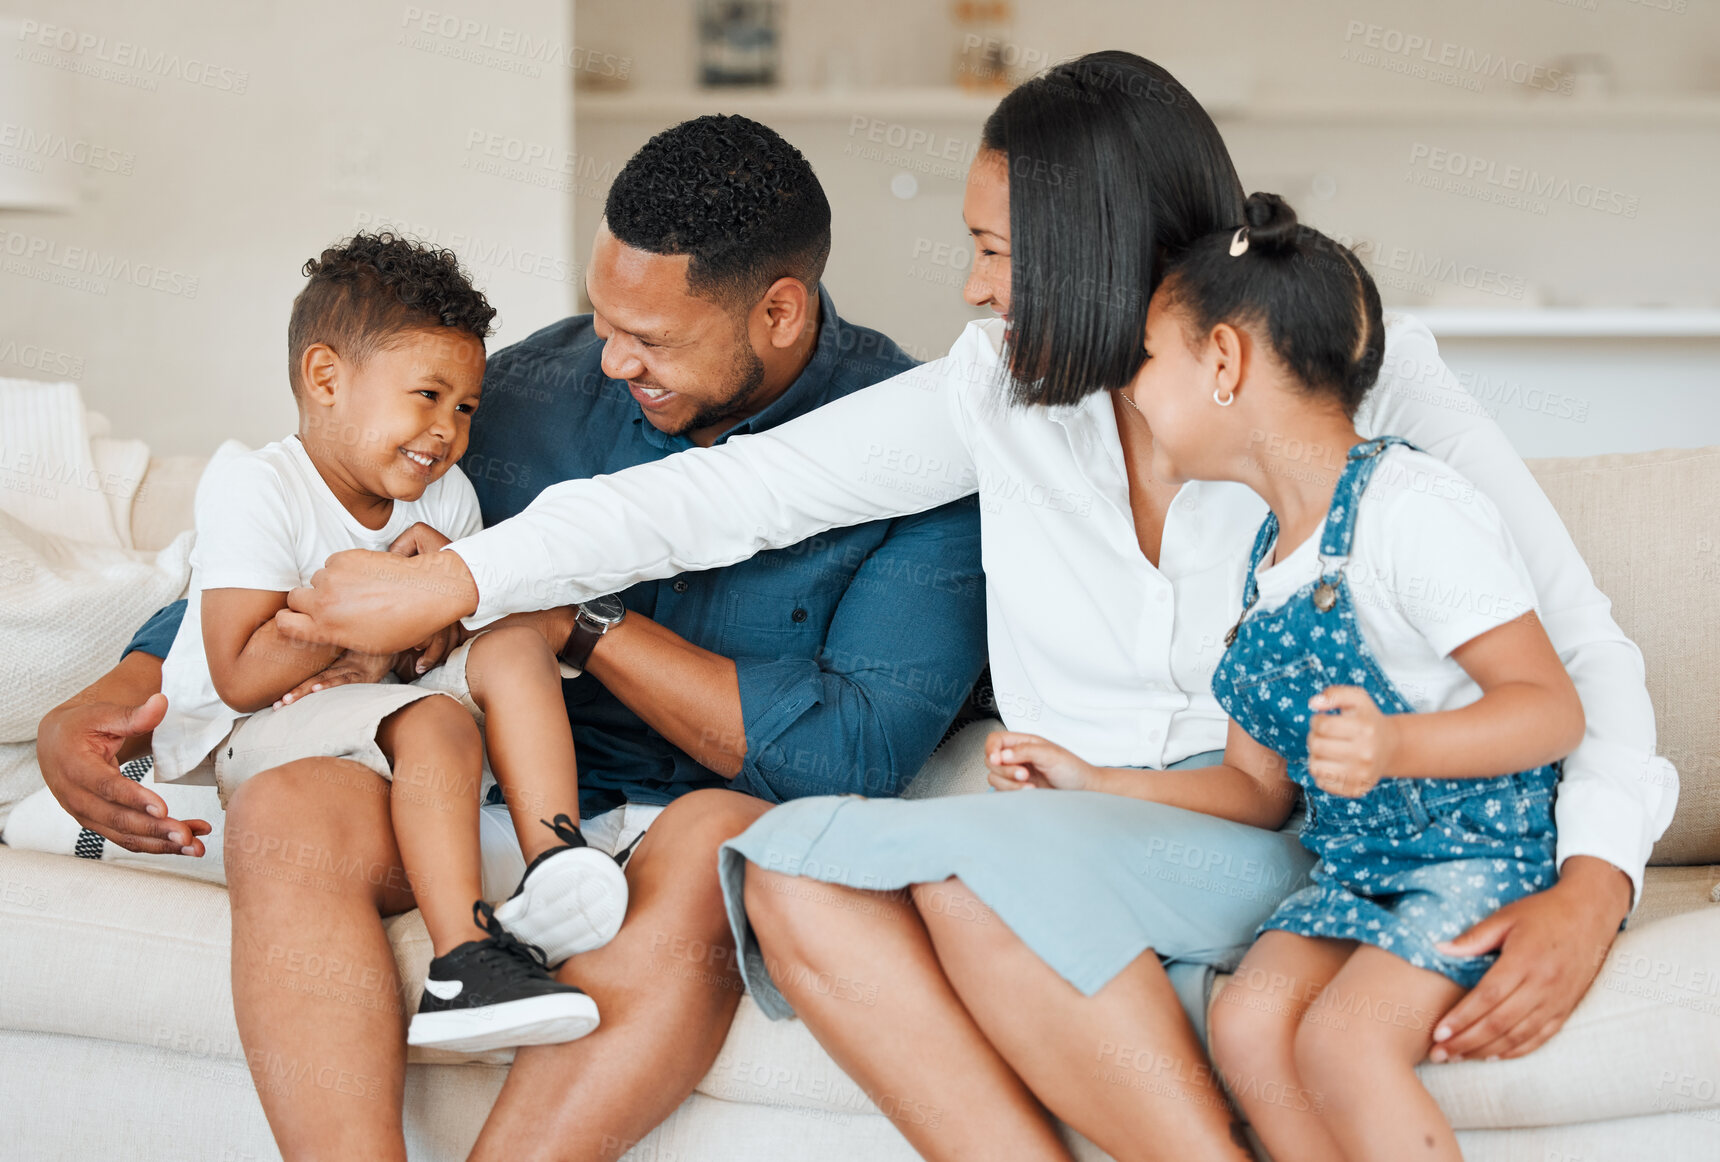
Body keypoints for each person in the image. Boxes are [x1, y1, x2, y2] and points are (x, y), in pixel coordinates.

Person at [274, 53, 1675, 1162]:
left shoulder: (1351, 367)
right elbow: (730, 495)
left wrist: (1597, 879)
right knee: (795, 872)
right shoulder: (999, 386)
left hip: (1284, 833)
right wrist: (465, 573)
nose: (972, 286)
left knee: (974, 866)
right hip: (1085, 822)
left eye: (998, 251)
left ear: (1095, 248)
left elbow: (1578, 650)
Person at [35, 115, 986, 1160]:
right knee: (290, 802)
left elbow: (849, 757)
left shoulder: (918, 457)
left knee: (719, 835)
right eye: (603, 318)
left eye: (654, 339)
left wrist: (575, 623)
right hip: (470, 779)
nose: (613, 358)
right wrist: (113, 690)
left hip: (676, 828)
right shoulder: (538, 391)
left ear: (778, 309)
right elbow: (320, 533)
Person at [984, 192, 1584, 1161]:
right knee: (1248, 1026)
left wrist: (1398, 744)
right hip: (1358, 867)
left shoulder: (1410, 507)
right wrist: (1093, 780)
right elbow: (1255, 790)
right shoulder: (1264, 560)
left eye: (1146, 356)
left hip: (1474, 853)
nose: (1129, 391)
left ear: (1222, 361)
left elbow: (1549, 710)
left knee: (1345, 1041)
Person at [148, 231, 631, 1052]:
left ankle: (557, 859)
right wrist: (359, 606)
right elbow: (236, 673)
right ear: (327, 378)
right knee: (436, 724)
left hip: (376, 704)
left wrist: (413, 620)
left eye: (466, 407)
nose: (446, 430)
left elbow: (437, 646)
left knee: (515, 638)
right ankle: (463, 964)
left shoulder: (448, 500)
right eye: (427, 394)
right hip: (258, 729)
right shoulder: (260, 486)